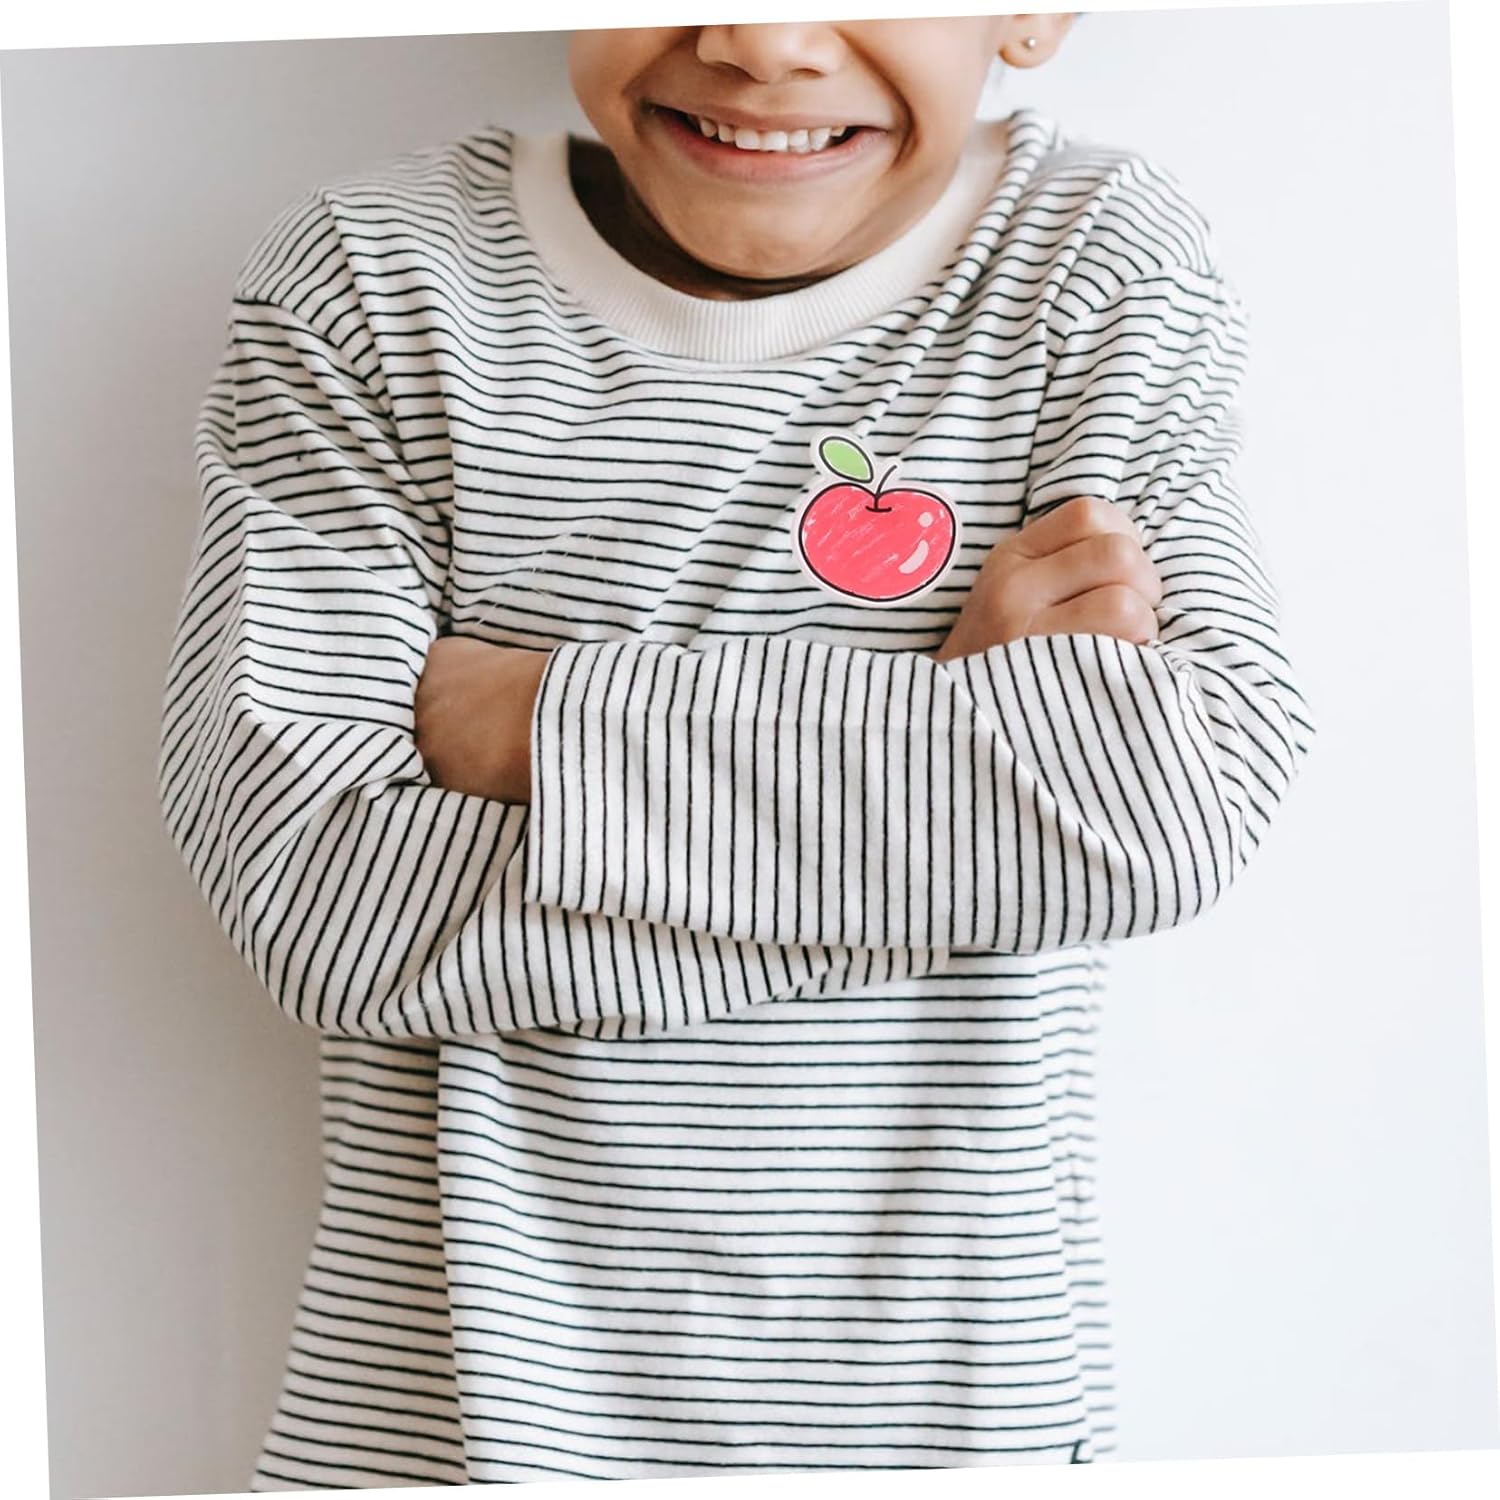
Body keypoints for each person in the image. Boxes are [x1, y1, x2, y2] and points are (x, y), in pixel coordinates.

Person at [157, 14, 1316, 1489]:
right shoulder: (379, 281)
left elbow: (1176, 803)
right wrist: (956, 753)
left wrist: (542, 722)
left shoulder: (1085, 268)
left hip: (954, 1429)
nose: (761, 43)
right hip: (456, 1439)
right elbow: (313, 897)